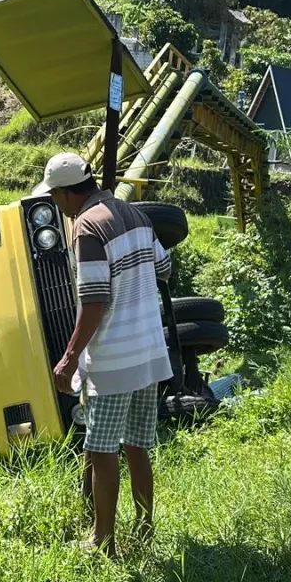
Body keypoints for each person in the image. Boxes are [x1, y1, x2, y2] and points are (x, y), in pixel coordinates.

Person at [37, 152, 172, 556]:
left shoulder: (87, 226)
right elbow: (164, 268)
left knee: (101, 449)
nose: (58, 205)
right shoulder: (137, 215)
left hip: (115, 359)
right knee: (137, 445)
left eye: (55, 197)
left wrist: (69, 359)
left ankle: (103, 540)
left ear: (65, 193)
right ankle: (144, 529)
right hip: (149, 351)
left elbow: (95, 300)